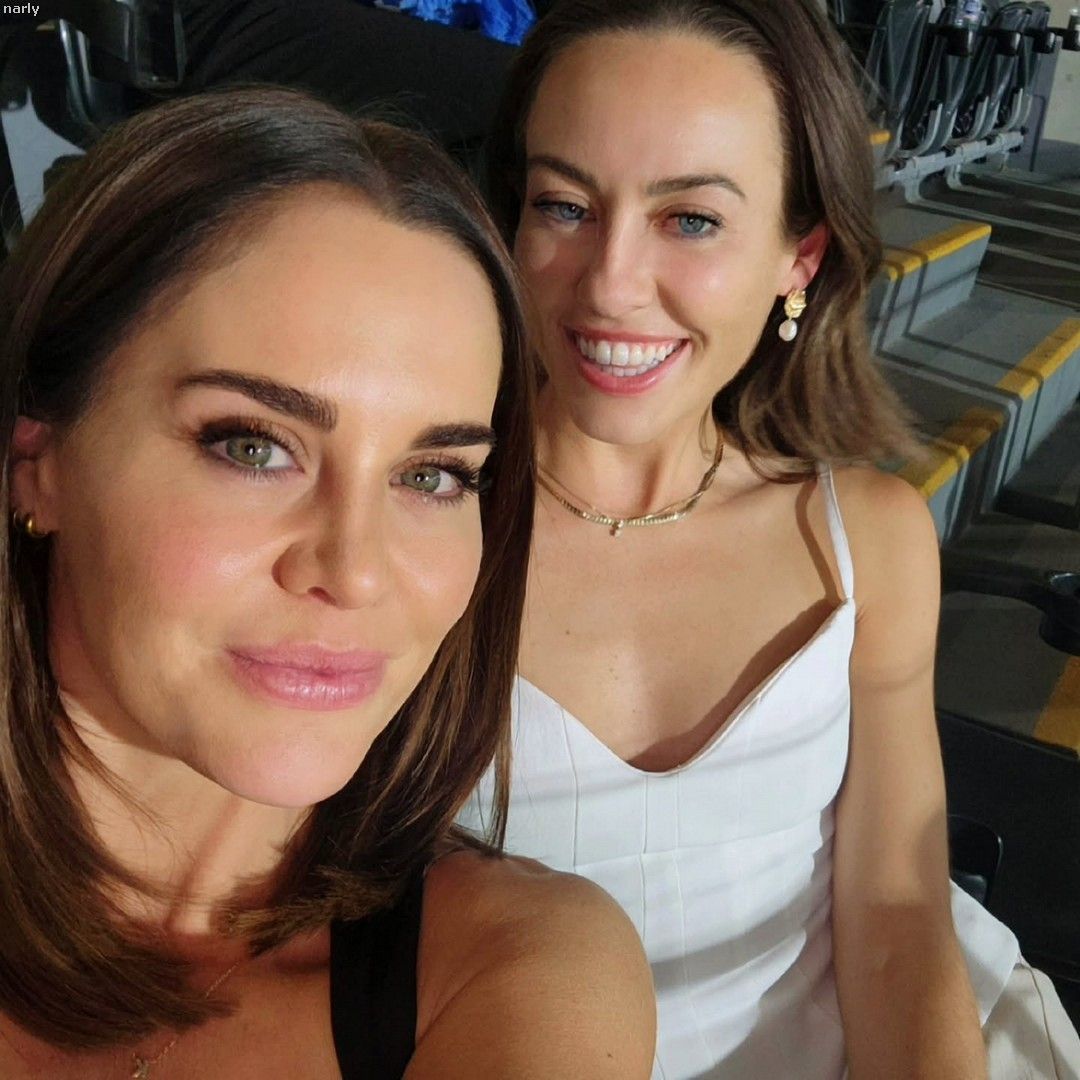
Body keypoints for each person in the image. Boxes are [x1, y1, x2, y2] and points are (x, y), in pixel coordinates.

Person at [458, 1, 1080, 1077]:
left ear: (801, 256)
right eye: (564, 205)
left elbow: (897, 913)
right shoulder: (408, 529)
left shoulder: (864, 540)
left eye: (691, 219)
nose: (609, 283)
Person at [0, 85, 656, 1079]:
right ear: (37, 462)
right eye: (253, 447)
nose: (353, 571)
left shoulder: (515, 970)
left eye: (431, 476)